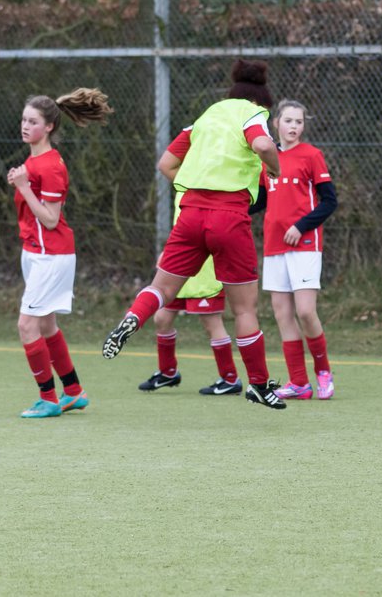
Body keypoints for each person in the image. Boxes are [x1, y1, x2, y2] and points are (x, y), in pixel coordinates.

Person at [101, 59, 287, 409]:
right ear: (263, 102)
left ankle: (132, 317)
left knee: (161, 289)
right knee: (244, 309)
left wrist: (199, 187)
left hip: (189, 213)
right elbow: (263, 146)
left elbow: (166, 163)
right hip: (229, 216)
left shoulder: (207, 116)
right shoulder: (253, 114)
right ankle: (259, 385)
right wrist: (274, 169)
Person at [10, 89, 114, 418]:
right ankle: (73, 391)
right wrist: (24, 182)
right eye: (24, 119)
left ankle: (49, 399)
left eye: (33, 121)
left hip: (51, 256)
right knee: (46, 326)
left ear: (49, 127)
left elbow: (52, 219)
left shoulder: (51, 166)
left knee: (27, 326)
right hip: (36, 252)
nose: (26, 126)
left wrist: (24, 187)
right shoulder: (34, 160)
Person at [136, 126, 243, 396]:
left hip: (204, 268)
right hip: (181, 265)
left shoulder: (215, 186)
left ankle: (230, 379)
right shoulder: (184, 182)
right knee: (162, 317)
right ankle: (168, 372)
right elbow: (182, 226)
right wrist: (167, 252)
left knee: (210, 322)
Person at [251, 99, 338, 401]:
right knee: (283, 315)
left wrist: (300, 226)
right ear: (276, 123)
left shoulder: (312, 155)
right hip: (274, 246)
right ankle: (299, 383)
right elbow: (261, 202)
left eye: (298, 122)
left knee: (305, 311)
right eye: (288, 121)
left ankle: (323, 372)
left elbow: (329, 201)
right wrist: (232, 209)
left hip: (304, 244)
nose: (293, 127)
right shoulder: (267, 158)